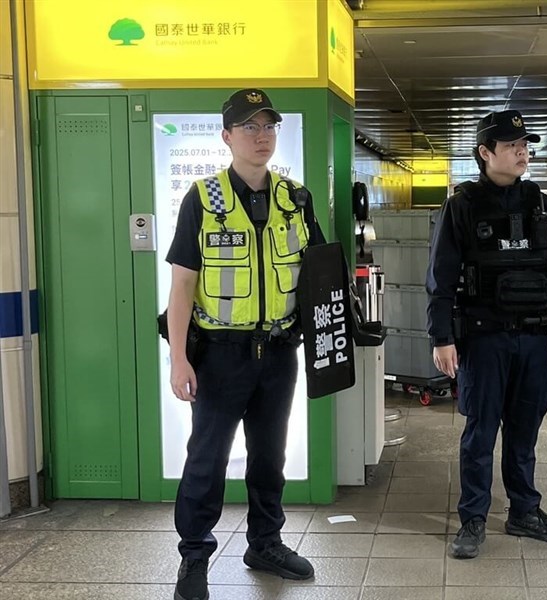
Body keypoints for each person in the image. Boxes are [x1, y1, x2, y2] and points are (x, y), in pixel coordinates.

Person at [166, 89, 324, 600]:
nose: (262, 136)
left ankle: (265, 543)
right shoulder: (204, 198)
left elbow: (320, 277)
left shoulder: (294, 199)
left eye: (269, 126)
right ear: (227, 136)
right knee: (207, 458)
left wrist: (328, 346)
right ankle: (193, 557)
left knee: (269, 455)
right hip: (220, 355)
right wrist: (178, 358)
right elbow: (183, 285)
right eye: (250, 127)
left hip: (279, 352)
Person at [426, 109, 547, 560]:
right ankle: (473, 517)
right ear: (485, 153)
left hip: (534, 338)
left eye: (524, 146)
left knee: (524, 429)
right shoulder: (462, 206)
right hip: (483, 338)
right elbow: (440, 276)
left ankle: (524, 511)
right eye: (512, 146)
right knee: (480, 430)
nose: (521, 152)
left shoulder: (542, 205)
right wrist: (441, 337)